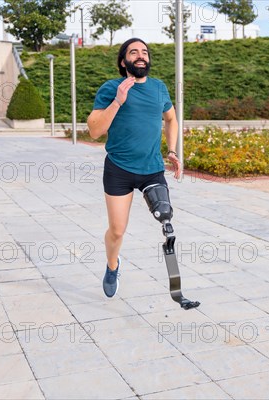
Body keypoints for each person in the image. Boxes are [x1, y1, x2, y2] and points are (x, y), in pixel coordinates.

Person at [87, 38, 181, 298]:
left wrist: (171, 150)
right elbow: (95, 131)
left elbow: (171, 119)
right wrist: (118, 101)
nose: (141, 56)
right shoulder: (110, 88)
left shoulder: (159, 88)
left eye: (145, 52)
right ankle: (112, 265)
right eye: (134, 52)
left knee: (164, 212)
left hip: (151, 168)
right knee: (117, 231)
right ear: (123, 61)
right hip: (119, 169)